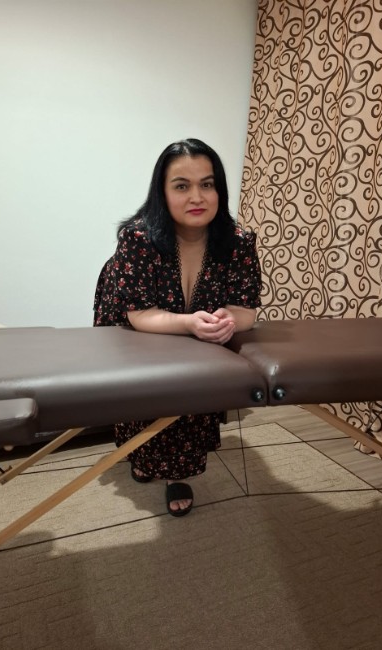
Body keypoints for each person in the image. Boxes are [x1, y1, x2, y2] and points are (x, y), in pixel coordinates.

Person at [94, 138, 261, 517]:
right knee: (141, 391)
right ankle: (141, 454)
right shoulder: (138, 239)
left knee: (190, 390)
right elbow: (140, 314)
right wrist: (189, 323)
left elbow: (246, 310)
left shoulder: (238, 243)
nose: (196, 197)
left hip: (195, 328)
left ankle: (176, 474)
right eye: (182, 186)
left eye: (207, 184)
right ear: (162, 192)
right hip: (135, 318)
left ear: (219, 189)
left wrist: (226, 320)